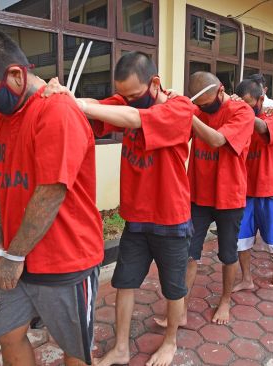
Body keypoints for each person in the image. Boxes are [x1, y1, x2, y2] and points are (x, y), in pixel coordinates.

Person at [0, 27, 104, 366]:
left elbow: (51, 191)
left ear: (16, 75)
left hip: (66, 257)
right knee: (8, 332)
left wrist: (14, 255)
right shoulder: (0, 120)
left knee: (75, 348)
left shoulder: (57, 111)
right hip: (16, 256)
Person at [45, 51, 194, 366]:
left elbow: (134, 119)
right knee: (124, 282)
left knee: (174, 286)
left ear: (154, 83)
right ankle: (122, 347)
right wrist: (66, 96)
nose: (128, 101)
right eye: (124, 95)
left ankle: (170, 342)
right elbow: (99, 107)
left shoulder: (179, 107)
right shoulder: (127, 100)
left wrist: (81, 104)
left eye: (134, 95)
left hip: (171, 217)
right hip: (136, 216)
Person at [184, 72, 254, 324]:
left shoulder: (242, 112)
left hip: (229, 196)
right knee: (189, 252)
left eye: (206, 103)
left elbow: (216, 140)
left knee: (227, 253)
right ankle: (181, 307)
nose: (203, 108)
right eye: (199, 104)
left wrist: (189, 114)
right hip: (198, 193)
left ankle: (225, 300)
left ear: (221, 90)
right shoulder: (198, 109)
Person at [230, 79, 273, 291]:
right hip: (243, 189)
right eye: (242, 104)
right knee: (241, 238)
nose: (246, 108)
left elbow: (264, 128)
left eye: (250, 104)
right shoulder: (235, 116)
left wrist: (243, 112)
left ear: (261, 99)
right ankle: (246, 278)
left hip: (268, 187)